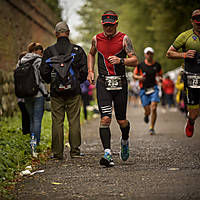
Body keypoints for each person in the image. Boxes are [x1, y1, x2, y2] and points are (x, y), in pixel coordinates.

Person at [87, 10, 138, 167]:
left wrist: (121, 60)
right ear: (102, 24)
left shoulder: (124, 39)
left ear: (116, 24)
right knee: (105, 118)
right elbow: (91, 54)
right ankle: (107, 153)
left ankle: (125, 139)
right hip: (103, 83)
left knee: (121, 120)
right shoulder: (96, 39)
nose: (108, 28)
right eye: (105, 25)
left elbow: (135, 60)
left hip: (120, 83)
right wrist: (90, 70)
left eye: (111, 25)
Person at [40, 21, 87, 159]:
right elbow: (84, 70)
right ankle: (75, 151)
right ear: (68, 33)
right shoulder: (77, 50)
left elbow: (43, 72)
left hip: (56, 92)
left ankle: (58, 153)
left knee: (57, 121)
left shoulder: (49, 51)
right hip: (73, 92)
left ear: (55, 34)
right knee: (74, 120)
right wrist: (77, 82)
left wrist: (52, 82)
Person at [166, 9, 200, 137]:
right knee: (194, 113)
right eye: (197, 22)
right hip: (191, 76)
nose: (199, 24)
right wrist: (184, 54)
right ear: (192, 22)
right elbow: (169, 53)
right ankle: (191, 121)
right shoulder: (185, 36)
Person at [18, 42, 47, 157]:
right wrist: (45, 93)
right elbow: (40, 79)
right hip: (38, 94)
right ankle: (35, 146)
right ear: (38, 51)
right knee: (37, 120)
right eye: (41, 51)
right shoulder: (38, 61)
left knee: (31, 119)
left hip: (25, 94)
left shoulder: (20, 61)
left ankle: (32, 143)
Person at [133, 47, 162, 135]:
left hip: (154, 88)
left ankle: (152, 127)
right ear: (145, 55)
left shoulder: (157, 65)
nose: (149, 55)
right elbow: (134, 75)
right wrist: (139, 77)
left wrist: (160, 79)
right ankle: (146, 114)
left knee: (154, 108)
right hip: (143, 89)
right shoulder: (140, 65)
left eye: (150, 53)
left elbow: (160, 75)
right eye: (147, 53)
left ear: (153, 54)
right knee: (148, 110)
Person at [16, 51, 30, 135]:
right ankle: (30, 134)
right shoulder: (28, 68)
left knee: (24, 116)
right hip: (28, 96)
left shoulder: (17, 67)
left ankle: (25, 132)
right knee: (29, 117)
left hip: (20, 97)